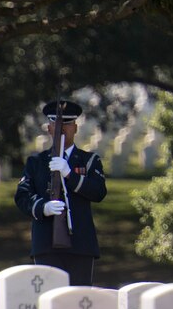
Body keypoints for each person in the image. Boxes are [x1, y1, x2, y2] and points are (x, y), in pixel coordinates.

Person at [14, 99, 107, 286]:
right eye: (56, 124)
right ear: (49, 128)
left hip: (81, 245)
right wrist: (43, 207)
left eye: (67, 124)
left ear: (75, 128)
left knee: (79, 302)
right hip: (46, 244)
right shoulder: (36, 162)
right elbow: (22, 195)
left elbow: (98, 192)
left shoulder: (89, 161)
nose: (62, 129)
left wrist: (69, 174)